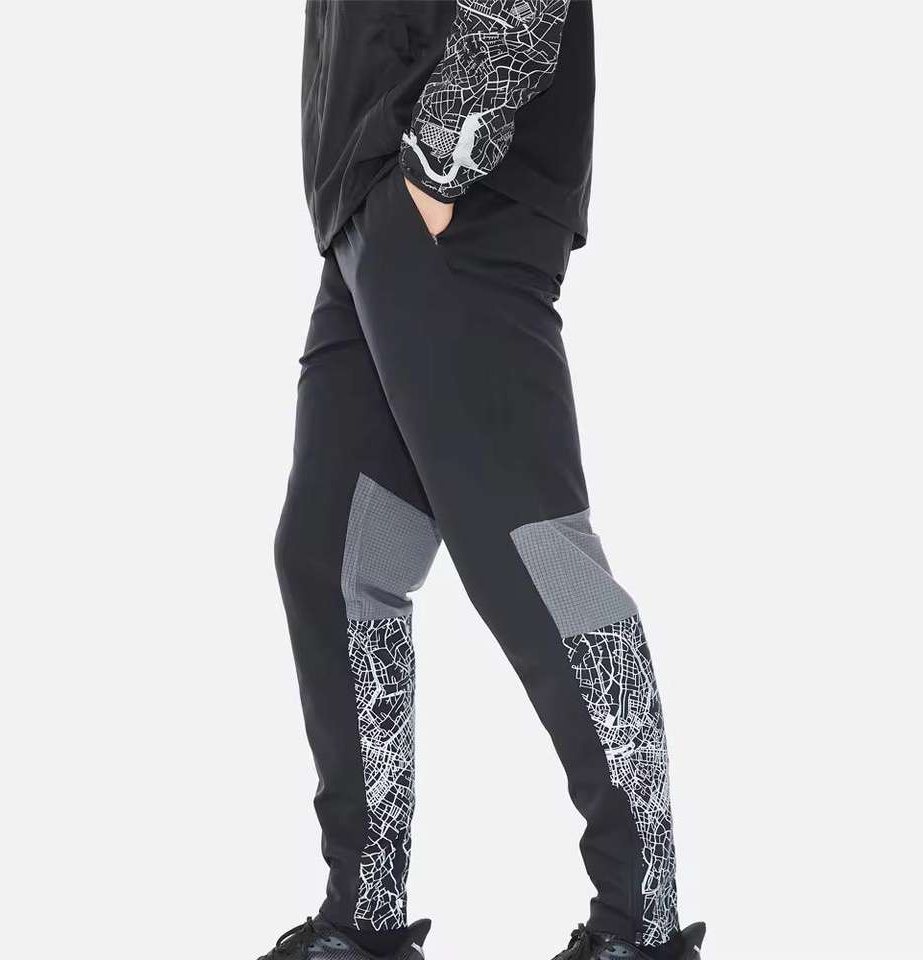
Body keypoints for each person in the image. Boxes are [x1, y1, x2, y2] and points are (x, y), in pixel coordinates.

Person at [264, 3, 705, 959]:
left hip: (458, 196)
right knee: (332, 560)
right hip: (366, 201)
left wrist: (438, 162)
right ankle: (364, 917)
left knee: (534, 562)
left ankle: (641, 925)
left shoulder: (444, 174)